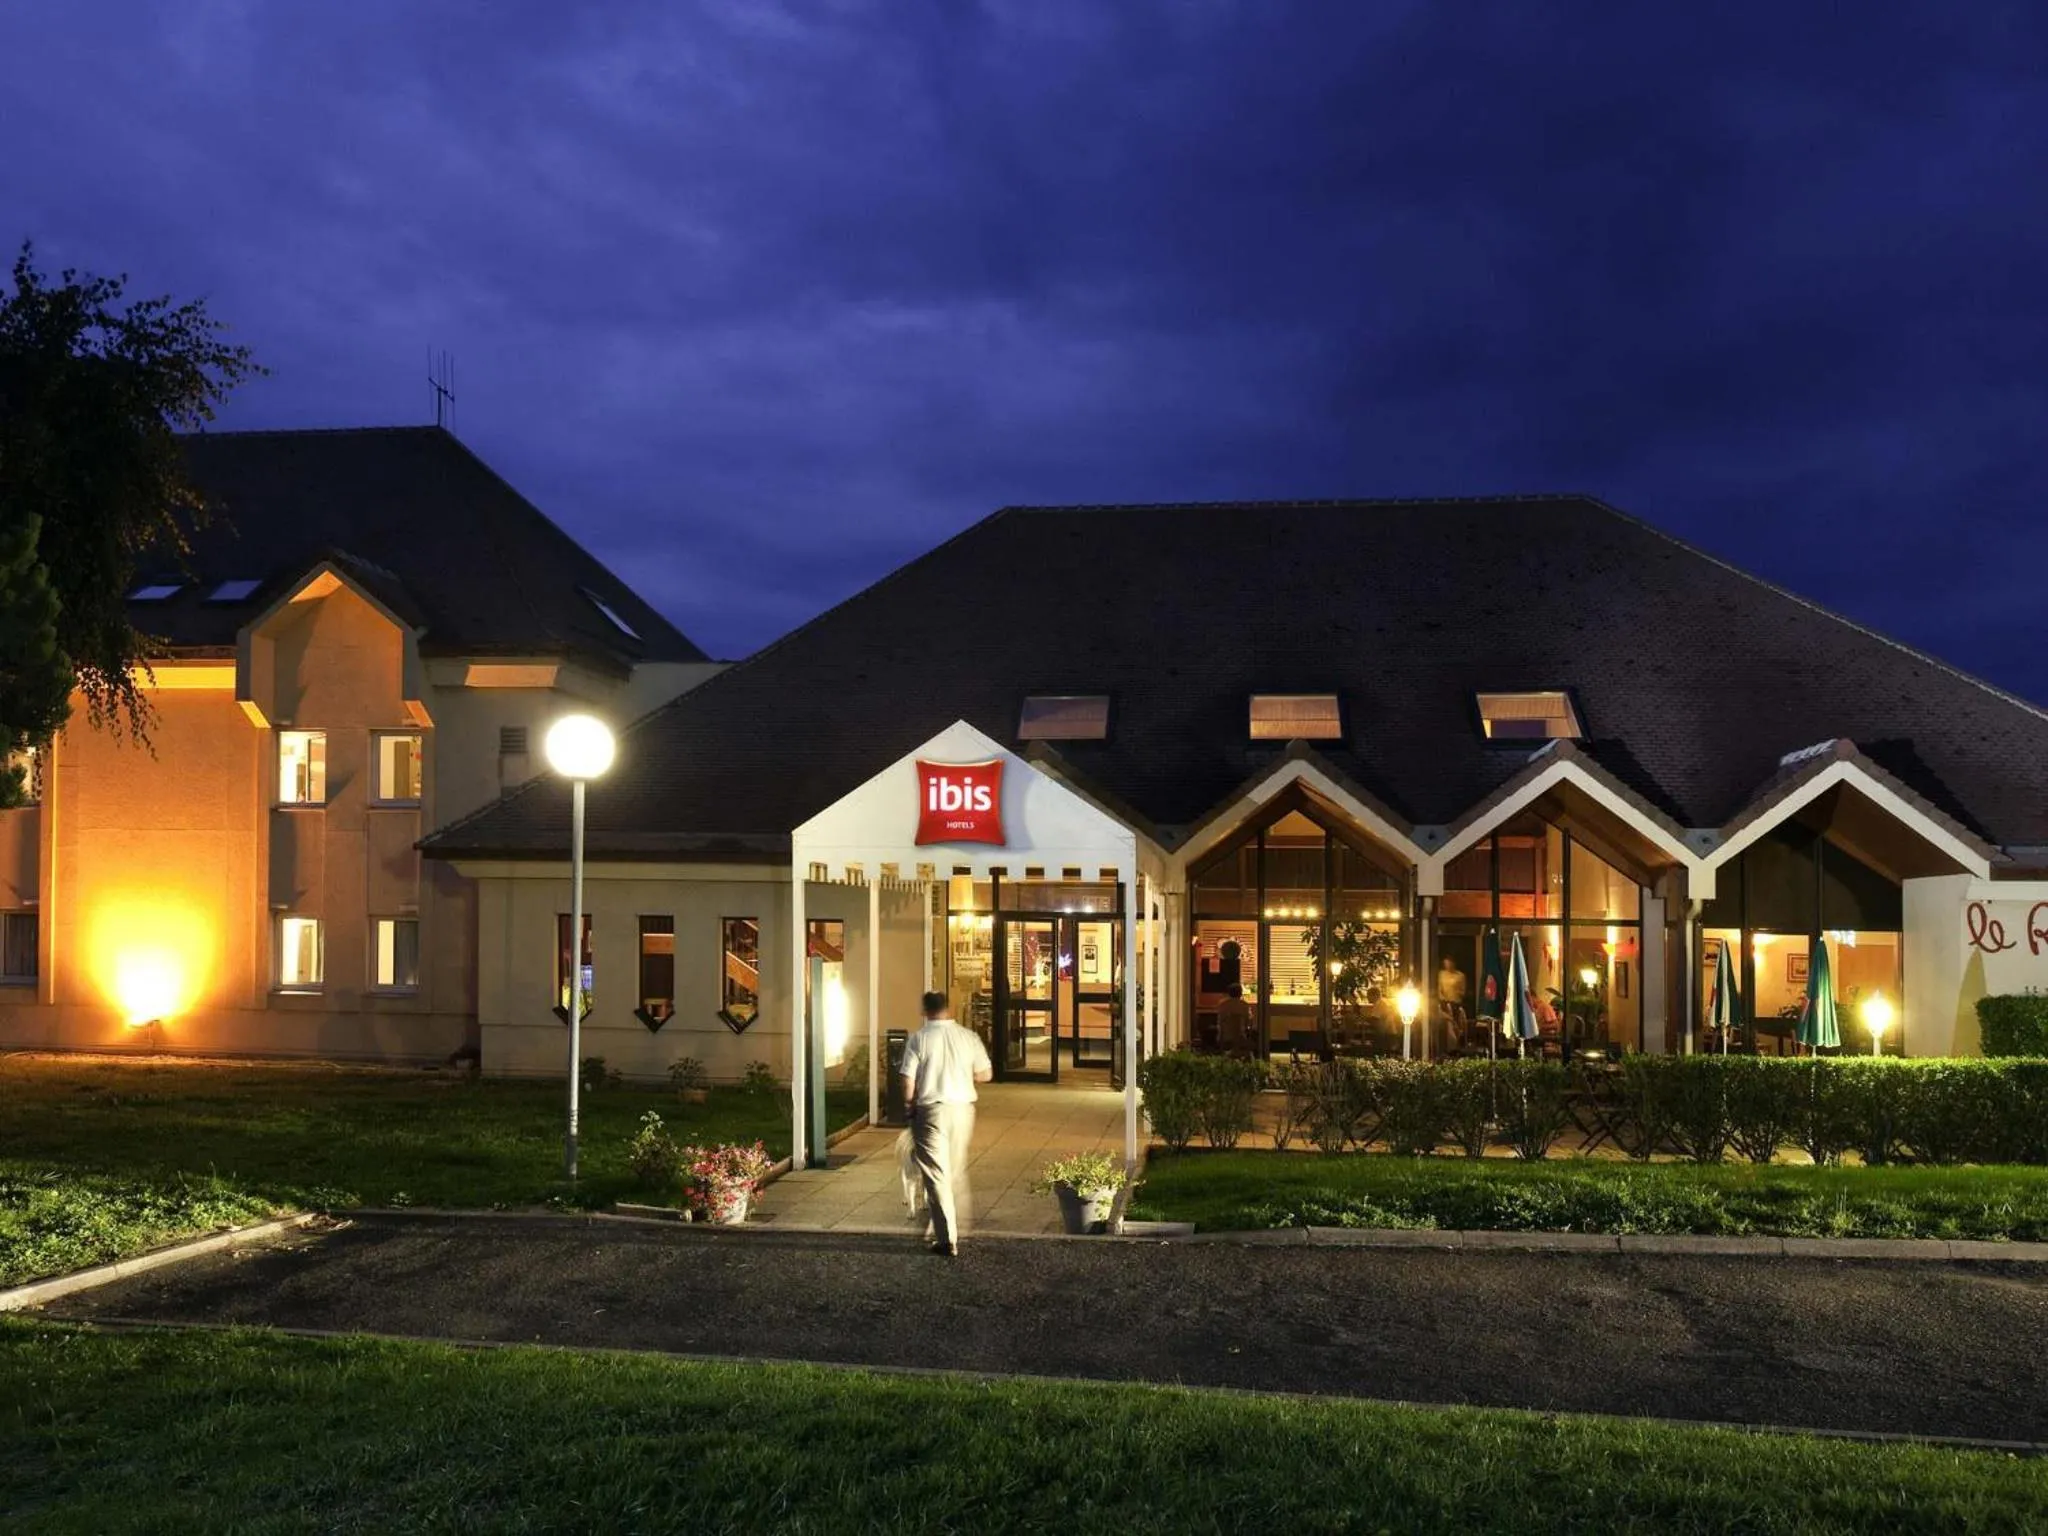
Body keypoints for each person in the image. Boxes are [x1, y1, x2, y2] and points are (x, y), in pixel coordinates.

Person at [897, 989, 992, 1257]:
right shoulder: (968, 1037)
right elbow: (985, 1074)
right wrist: (962, 1075)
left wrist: (909, 1105)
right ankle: (958, 1224)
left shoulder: (919, 1039)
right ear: (948, 1008)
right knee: (956, 1169)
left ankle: (947, 1237)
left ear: (925, 1010)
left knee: (936, 1174)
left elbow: (907, 1079)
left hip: (931, 1112)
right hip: (963, 1110)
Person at [1214, 981, 1254, 1058]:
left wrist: (1220, 1036)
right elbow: (1247, 1023)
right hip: (1241, 1037)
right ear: (1240, 993)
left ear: (1229, 993)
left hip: (1225, 1038)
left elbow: (1220, 1022)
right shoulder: (1244, 1005)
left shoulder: (1222, 1004)